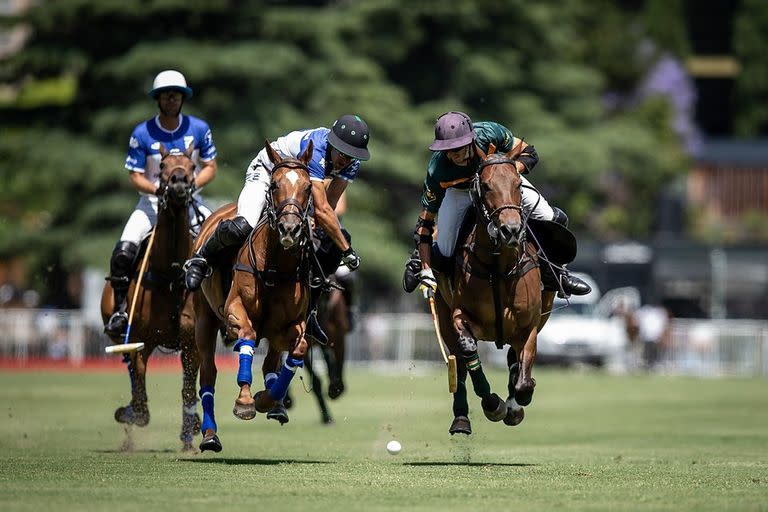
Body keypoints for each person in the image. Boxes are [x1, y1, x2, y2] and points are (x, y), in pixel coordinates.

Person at [183, 114, 368, 344]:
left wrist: (326, 233)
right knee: (244, 225)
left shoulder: (351, 163)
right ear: (332, 144)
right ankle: (202, 258)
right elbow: (321, 209)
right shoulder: (318, 150)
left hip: (296, 188)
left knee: (328, 243)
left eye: (351, 156)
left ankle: (309, 312)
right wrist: (348, 250)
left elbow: (329, 204)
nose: (346, 160)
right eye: (342, 153)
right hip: (268, 170)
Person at [402, 111, 591, 298]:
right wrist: (426, 271)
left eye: (458, 149)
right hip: (460, 192)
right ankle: (418, 260)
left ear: (470, 141)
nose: (453, 156)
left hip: (499, 180)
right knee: (445, 251)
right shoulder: (437, 171)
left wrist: (506, 172)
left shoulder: (490, 132)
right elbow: (425, 224)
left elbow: (529, 152)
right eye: (447, 151)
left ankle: (557, 273)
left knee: (550, 217)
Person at [104, 70, 218, 337]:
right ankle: (121, 312)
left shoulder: (199, 128)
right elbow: (135, 175)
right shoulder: (142, 133)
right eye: (166, 95)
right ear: (158, 99)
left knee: (222, 244)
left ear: (182, 98)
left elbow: (210, 166)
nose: (171, 99)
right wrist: (160, 190)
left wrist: (191, 187)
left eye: (176, 95)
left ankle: (220, 310)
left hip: (191, 202)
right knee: (123, 251)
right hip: (152, 205)